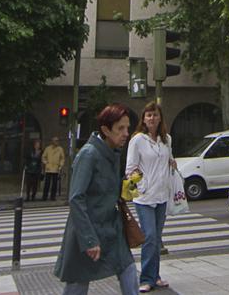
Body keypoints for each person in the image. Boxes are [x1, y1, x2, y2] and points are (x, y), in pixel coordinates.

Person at [54, 104, 138, 295]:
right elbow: (76, 198)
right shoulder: (89, 154)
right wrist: (89, 240)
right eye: (120, 128)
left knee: (128, 269)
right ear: (106, 130)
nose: (126, 133)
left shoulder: (114, 152)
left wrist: (128, 186)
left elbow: (111, 190)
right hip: (87, 229)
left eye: (127, 127)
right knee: (78, 282)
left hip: (111, 228)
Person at [125, 102, 175, 292]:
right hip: (145, 197)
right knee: (150, 237)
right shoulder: (137, 140)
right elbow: (130, 168)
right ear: (143, 119)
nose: (152, 118)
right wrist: (141, 184)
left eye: (154, 115)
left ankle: (156, 275)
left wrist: (172, 164)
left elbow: (168, 159)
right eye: (148, 115)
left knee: (157, 237)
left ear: (160, 117)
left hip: (162, 195)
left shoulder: (167, 139)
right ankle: (146, 278)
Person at [42, 136, 65, 201]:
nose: (57, 142)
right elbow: (43, 157)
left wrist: (60, 166)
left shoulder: (60, 149)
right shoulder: (48, 148)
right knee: (47, 184)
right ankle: (44, 196)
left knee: (54, 184)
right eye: (55, 140)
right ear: (52, 141)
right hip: (48, 169)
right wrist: (46, 162)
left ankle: (53, 197)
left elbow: (62, 158)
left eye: (57, 140)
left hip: (56, 169)